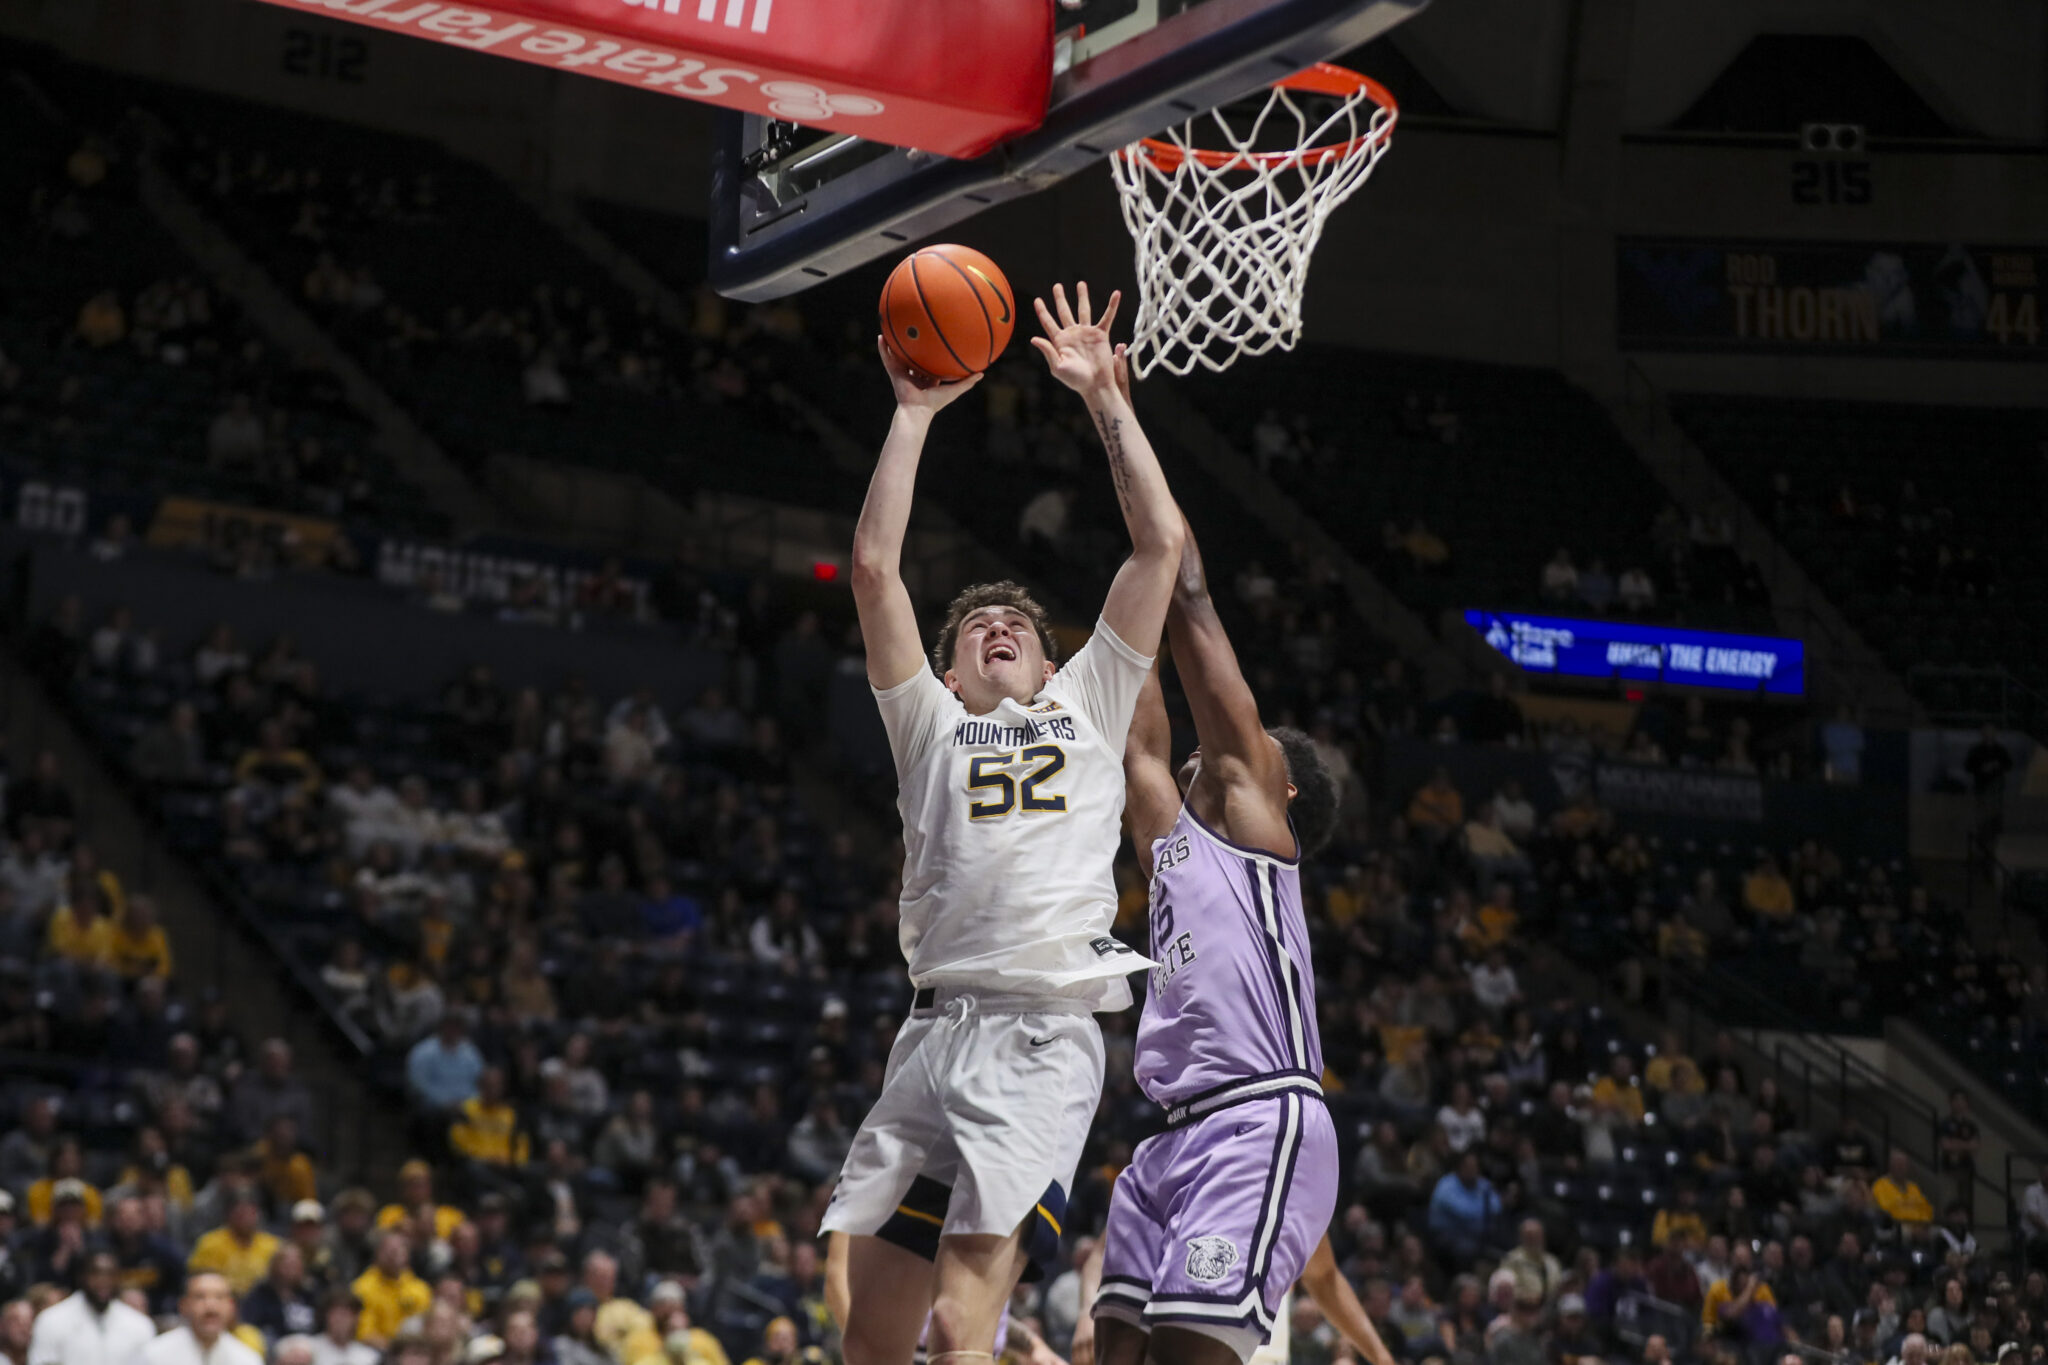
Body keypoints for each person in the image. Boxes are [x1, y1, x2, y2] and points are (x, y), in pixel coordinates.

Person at [826, 281, 1185, 1365]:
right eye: (977, 625)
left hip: (1037, 1033)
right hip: (930, 1033)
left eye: (1016, 625)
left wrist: (1103, 397)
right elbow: (873, 571)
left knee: (957, 1324)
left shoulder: (1089, 701)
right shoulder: (927, 725)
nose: (997, 626)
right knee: (871, 1339)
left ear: (1047, 660)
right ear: (946, 673)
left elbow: (1158, 548)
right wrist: (913, 414)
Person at [1090, 503, 1342, 1365]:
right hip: (1170, 1135)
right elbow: (1138, 749)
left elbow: (1192, 594)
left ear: (1282, 791)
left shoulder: (1258, 833)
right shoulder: (1173, 847)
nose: (1210, 748)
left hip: (1255, 1115)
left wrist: (1144, 500)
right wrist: (1135, 584)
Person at [25, 1251, 155, 1365]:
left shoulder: (140, 1325)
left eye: (110, 1274)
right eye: (96, 1273)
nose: (104, 1281)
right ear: (81, 1276)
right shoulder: (51, 1321)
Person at [136, 1272, 264, 1365]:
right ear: (183, 1305)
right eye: (200, 1297)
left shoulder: (247, 1360)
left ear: (232, 1307)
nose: (211, 1306)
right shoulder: (154, 1355)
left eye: (219, 1297)